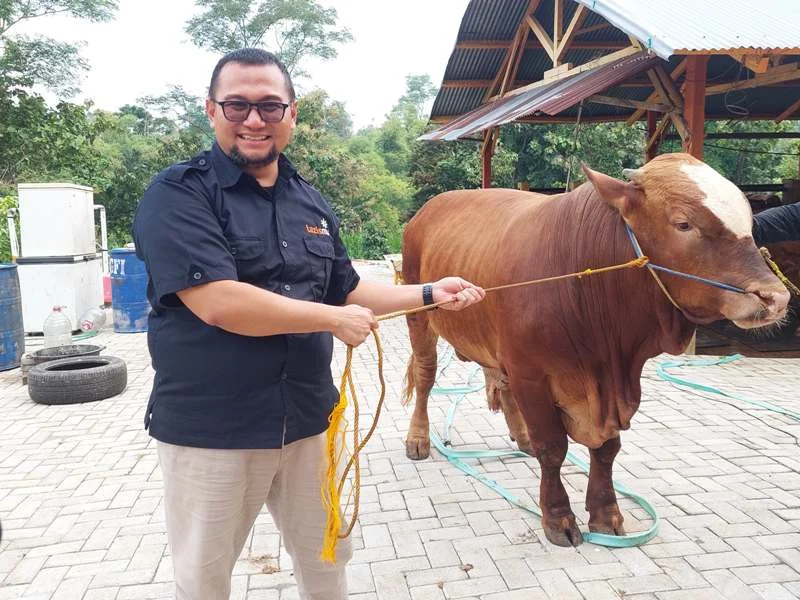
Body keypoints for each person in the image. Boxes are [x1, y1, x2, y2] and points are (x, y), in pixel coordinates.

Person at [132, 48, 485, 600]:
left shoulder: (310, 202)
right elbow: (219, 302)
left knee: (325, 561)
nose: (254, 120)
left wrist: (427, 293)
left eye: (270, 106)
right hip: (214, 431)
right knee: (204, 577)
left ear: (292, 114)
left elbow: (344, 287)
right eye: (237, 105)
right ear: (210, 110)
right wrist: (331, 319)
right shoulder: (178, 195)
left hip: (305, 422)